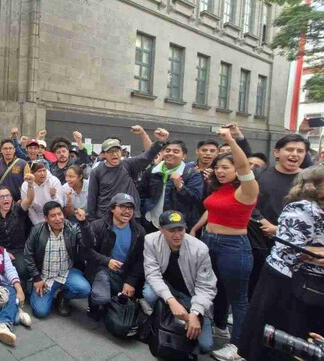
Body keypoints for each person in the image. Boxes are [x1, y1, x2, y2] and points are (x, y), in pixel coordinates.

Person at [239, 166, 324, 361]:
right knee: (281, 344)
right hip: (289, 285)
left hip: (313, 287)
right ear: (313, 186)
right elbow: (293, 252)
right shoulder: (301, 208)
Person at [192, 127, 259, 361]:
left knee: (238, 299)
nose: (220, 171)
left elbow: (244, 166)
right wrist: (195, 228)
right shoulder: (221, 189)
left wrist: (230, 140)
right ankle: (219, 326)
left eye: (225, 167)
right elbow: (213, 210)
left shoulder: (247, 190)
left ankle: (239, 347)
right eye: (218, 167)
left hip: (234, 247)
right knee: (211, 288)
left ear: (236, 169)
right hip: (209, 241)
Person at [143, 211, 217, 354]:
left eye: (180, 229)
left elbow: (207, 287)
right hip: (168, 290)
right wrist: (171, 301)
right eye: (171, 230)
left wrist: (195, 314)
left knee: (205, 346)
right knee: (149, 293)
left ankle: (195, 318)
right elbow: (152, 274)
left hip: (191, 296)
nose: (177, 235)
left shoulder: (200, 249)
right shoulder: (150, 240)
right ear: (161, 229)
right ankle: (161, 315)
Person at [246, 134, 307, 297]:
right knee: (256, 290)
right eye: (289, 149)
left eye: (300, 151)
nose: (295, 154)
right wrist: (263, 222)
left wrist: (279, 229)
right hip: (258, 242)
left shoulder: (310, 180)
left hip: (294, 248)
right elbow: (249, 202)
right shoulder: (259, 175)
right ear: (276, 153)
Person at [83, 194, 146, 320]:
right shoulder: (98, 226)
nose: (127, 211)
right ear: (112, 209)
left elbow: (140, 261)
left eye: (130, 208)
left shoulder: (139, 231)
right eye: (123, 207)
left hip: (124, 275)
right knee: (101, 298)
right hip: (101, 270)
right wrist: (107, 261)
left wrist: (131, 281)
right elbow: (87, 252)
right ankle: (95, 303)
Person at [24, 201, 91, 318]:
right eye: (53, 215)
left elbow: (89, 243)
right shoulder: (37, 230)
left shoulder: (73, 228)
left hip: (66, 273)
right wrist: (36, 277)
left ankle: (63, 296)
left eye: (60, 214)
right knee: (41, 312)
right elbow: (28, 254)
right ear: (46, 218)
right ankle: (33, 291)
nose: (58, 218)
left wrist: (83, 223)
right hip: (44, 276)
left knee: (84, 289)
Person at [87, 127, 169, 221]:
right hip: (106, 217)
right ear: (103, 154)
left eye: (117, 151)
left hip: (129, 217)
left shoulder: (128, 164)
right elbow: (92, 199)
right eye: (110, 151)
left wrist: (159, 142)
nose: (114, 154)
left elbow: (147, 156)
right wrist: (92, 220)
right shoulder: (97, 171)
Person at [141, 140, 203, 232]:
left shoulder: (191, 174)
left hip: (177, 225)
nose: (170, 153)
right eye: (168, 150)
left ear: (184, 156)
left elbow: (196, 199)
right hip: (151, 221)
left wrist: (180, 187)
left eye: (176, 151)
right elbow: (142, 193)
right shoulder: (152, 171)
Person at [21, 161, 65, 225]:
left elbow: (61, 205)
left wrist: (54, 196)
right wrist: (37, 224)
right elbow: (29, 209)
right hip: (37, 218)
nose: (42, 173)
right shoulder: (25, 185)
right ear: (32, 173)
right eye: (39, 171)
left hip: (54, 217)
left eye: (44, 170)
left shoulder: (54, 181)